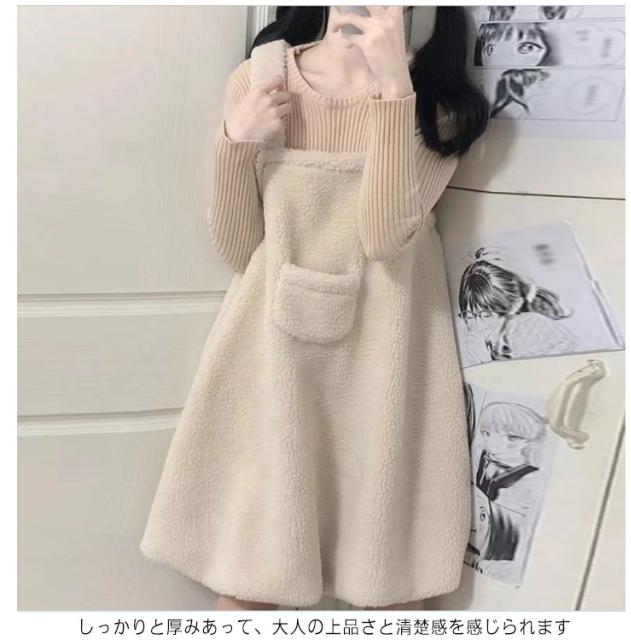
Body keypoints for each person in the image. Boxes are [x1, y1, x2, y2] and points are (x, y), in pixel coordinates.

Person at [139, 6, 490, 611]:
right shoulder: (260, 80)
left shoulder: (440, 103)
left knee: (391, 588)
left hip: (390, 353)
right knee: (248, 582)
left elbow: (383, 237)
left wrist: (394, 91)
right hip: (272, 353)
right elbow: (241, 249)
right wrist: (235, 145)